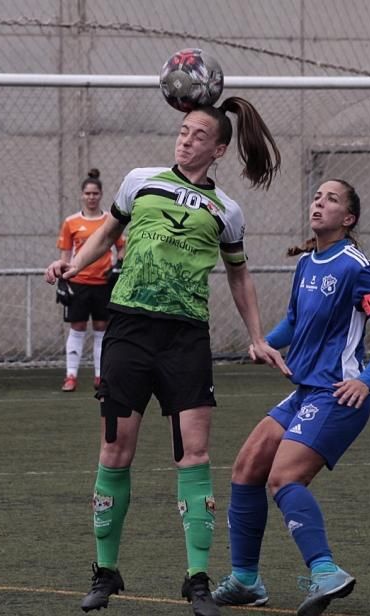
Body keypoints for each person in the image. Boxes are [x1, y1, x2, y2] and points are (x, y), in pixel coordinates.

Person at [45, 97, 290, 616]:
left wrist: (257, 335)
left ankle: (197, 580)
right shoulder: (140, 181)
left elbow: (239, 274)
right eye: (182, 131)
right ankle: (105, 571)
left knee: (194, 455)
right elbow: (109, 233)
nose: (186, 139)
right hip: (129, 329)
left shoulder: (227, 210)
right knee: (116, 451)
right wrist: (72, 265)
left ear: (219, 148)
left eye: (199, 135)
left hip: (185, 339)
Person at [211, 179, 370, 616]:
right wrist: (264, 342)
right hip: (307, 391)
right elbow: (294, 325)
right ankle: (245, 580)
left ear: (348, 219)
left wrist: (367, 379)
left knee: (283, 478)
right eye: (316, 196)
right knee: (246, 468)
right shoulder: (308, 264)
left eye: (331, 199)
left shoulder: (357, 266)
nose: (319, 202)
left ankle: (325, 572)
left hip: (338, 394)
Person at [55, 169, 126, 392]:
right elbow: (65, 254)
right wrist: (63, 279)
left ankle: (99, 375)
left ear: (101, 195)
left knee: (101, 328)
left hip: (103, 284)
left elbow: (121, 247)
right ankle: (71, 376)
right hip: (79, 283)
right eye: (87, 193)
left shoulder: (109, 221)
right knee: (77, 327)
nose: (91, 197)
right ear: (82, 195)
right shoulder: (71, 222)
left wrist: (118, 267)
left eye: (95, 193)